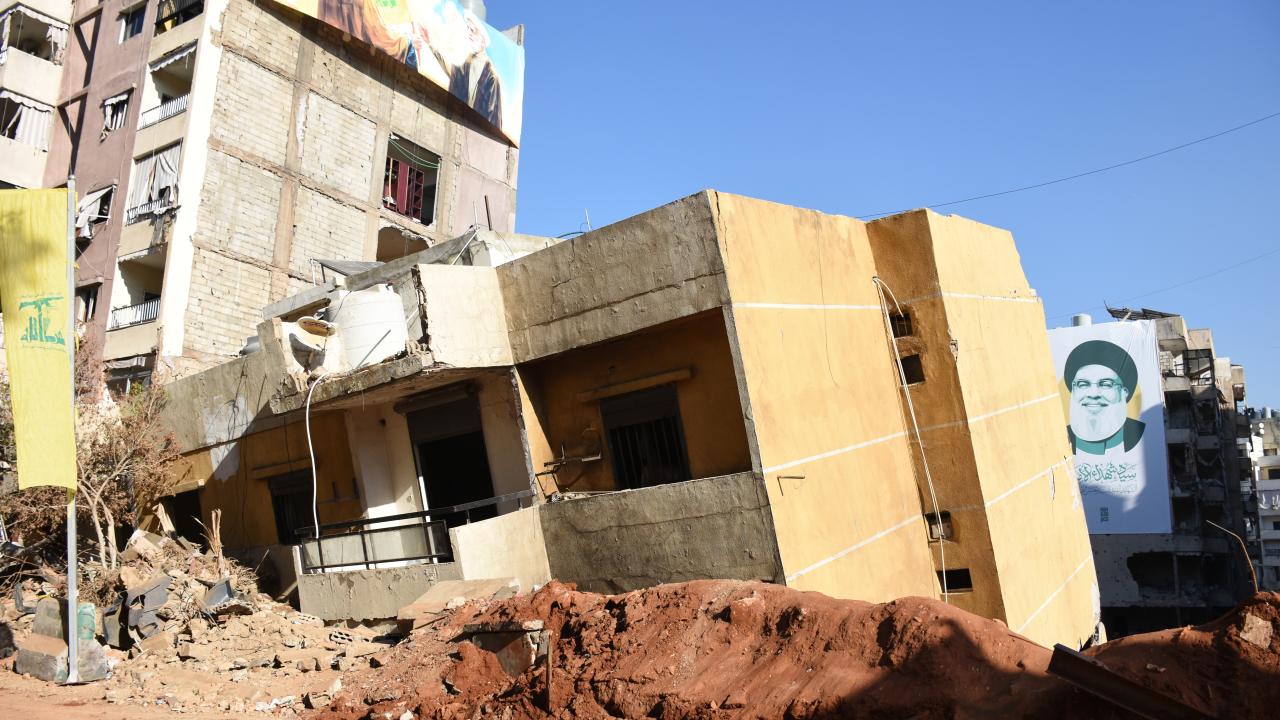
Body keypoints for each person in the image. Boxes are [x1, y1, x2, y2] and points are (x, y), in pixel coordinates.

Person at [1063, 340, 1145, 456]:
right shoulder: (1063, 437)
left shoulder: (1140, 434)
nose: (1093, 394)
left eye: (1106, 384)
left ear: (1124, 392)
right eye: (1083, 384)